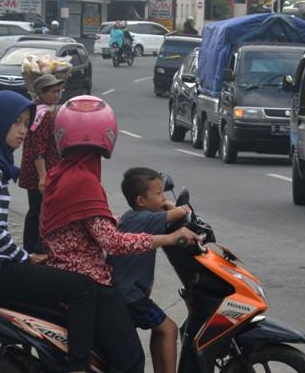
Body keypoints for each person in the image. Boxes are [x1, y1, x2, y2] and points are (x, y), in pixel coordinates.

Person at [0, 91, 107, 373]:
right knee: (81, 288)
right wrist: (24, 257)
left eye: (25, 123)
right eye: (15, 123)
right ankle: (78, 368)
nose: (22, 130)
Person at [40, 96, 199, 373]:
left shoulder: (60, 174)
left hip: (64, 272)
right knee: (130, 361)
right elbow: (112, 241)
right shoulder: (84, 181)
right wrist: (169, 238)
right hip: (90, 280)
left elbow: (85, 223)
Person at [109, 168, 191, 373]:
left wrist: (162, 203)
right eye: (158, 193)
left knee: (159, 329)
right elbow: (182, 211)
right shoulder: (144, 219)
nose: (162, 197)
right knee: (169, 329)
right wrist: (176, 205)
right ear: (141, 200)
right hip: (130, 295)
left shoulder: (133, 218)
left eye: (163, 193)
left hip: (125, 292)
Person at [17, 74, 64, 253]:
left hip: (41, 170)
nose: (57, 95)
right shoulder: (42, 114)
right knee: (39, 212)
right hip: (41, 172)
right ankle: (34, 249)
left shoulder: (40, 110)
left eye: (59, 91)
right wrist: (43, 177)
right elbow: (39, 148)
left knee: (36, 211)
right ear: (41, 93)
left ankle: (33, 248)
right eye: (53, 92)